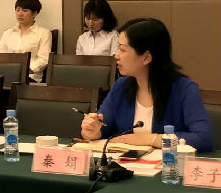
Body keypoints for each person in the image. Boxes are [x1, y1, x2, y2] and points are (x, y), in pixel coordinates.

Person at [80, 18, 212, 152]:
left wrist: (151, 139)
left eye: (122, 49)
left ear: (146, 58)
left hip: (168, 164)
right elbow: (104, 126)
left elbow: (203, 138)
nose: (116, 55)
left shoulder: (184, 89)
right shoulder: (120, 86)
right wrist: (93, 131)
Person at [0, 0, 51, 82]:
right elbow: (0, 56)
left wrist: (24, 70)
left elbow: (44, 59)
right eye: (18, 10)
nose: (20, 14)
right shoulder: (8, 33)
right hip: (8, 75)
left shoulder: (44, 33)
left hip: (30, 77)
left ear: (34, 13)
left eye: (25, 10)